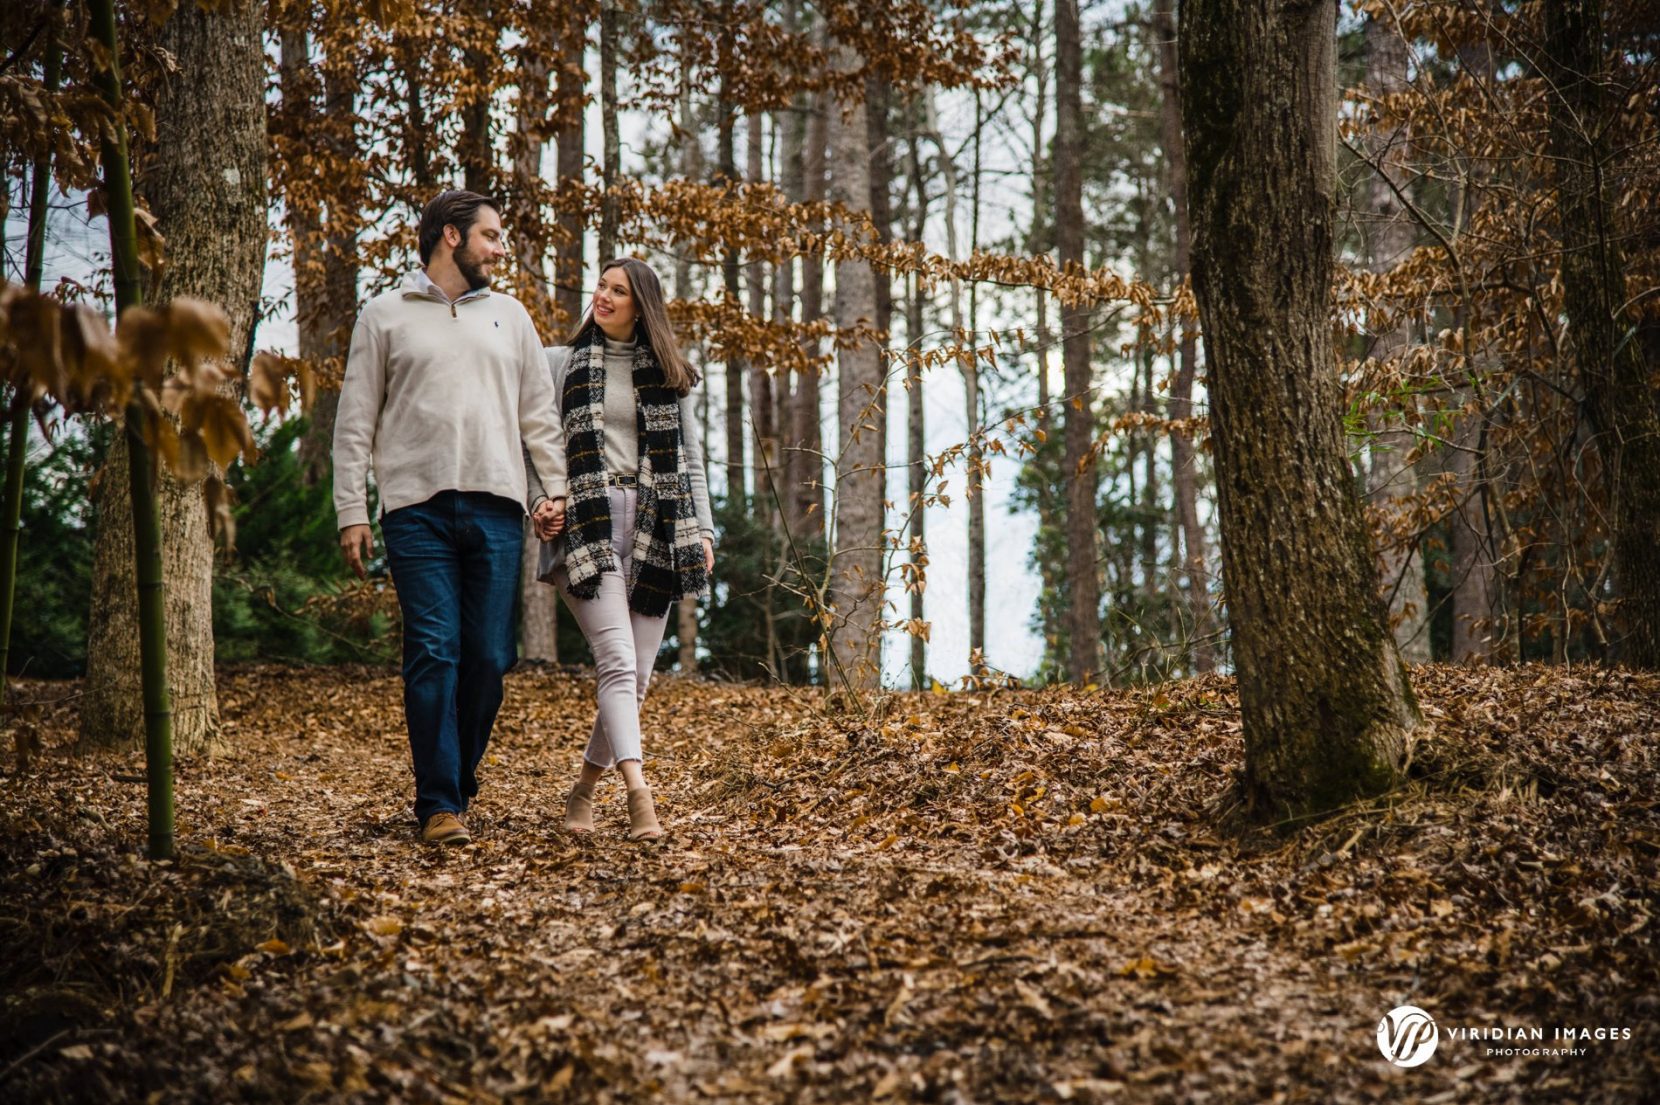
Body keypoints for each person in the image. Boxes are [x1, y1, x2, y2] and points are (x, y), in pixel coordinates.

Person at [333, 189, 567, 847]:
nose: (501, 249)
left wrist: (555, 491)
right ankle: (438, 803)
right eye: (492, 235)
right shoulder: (384, 315)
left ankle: (456, 779)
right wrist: (352, 509)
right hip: (416, 512)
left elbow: (538, 415)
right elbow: (355, 421)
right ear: (452, 236)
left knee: (489, 658)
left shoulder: (511, 317)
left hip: (498, 508)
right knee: (434, 651)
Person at [526, 257, 714, 841]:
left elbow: (691, 461)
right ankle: (639, 796)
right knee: (616, 659)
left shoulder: (671, 373)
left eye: (618, 291)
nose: (603, 297)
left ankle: (583, 791)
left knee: (636, 678)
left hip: (658, 526)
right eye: (601, 286)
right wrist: (540, 499)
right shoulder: (558, 363)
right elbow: (534, 442)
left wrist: (705, 531)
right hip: (587, 520)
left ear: (642, 307)